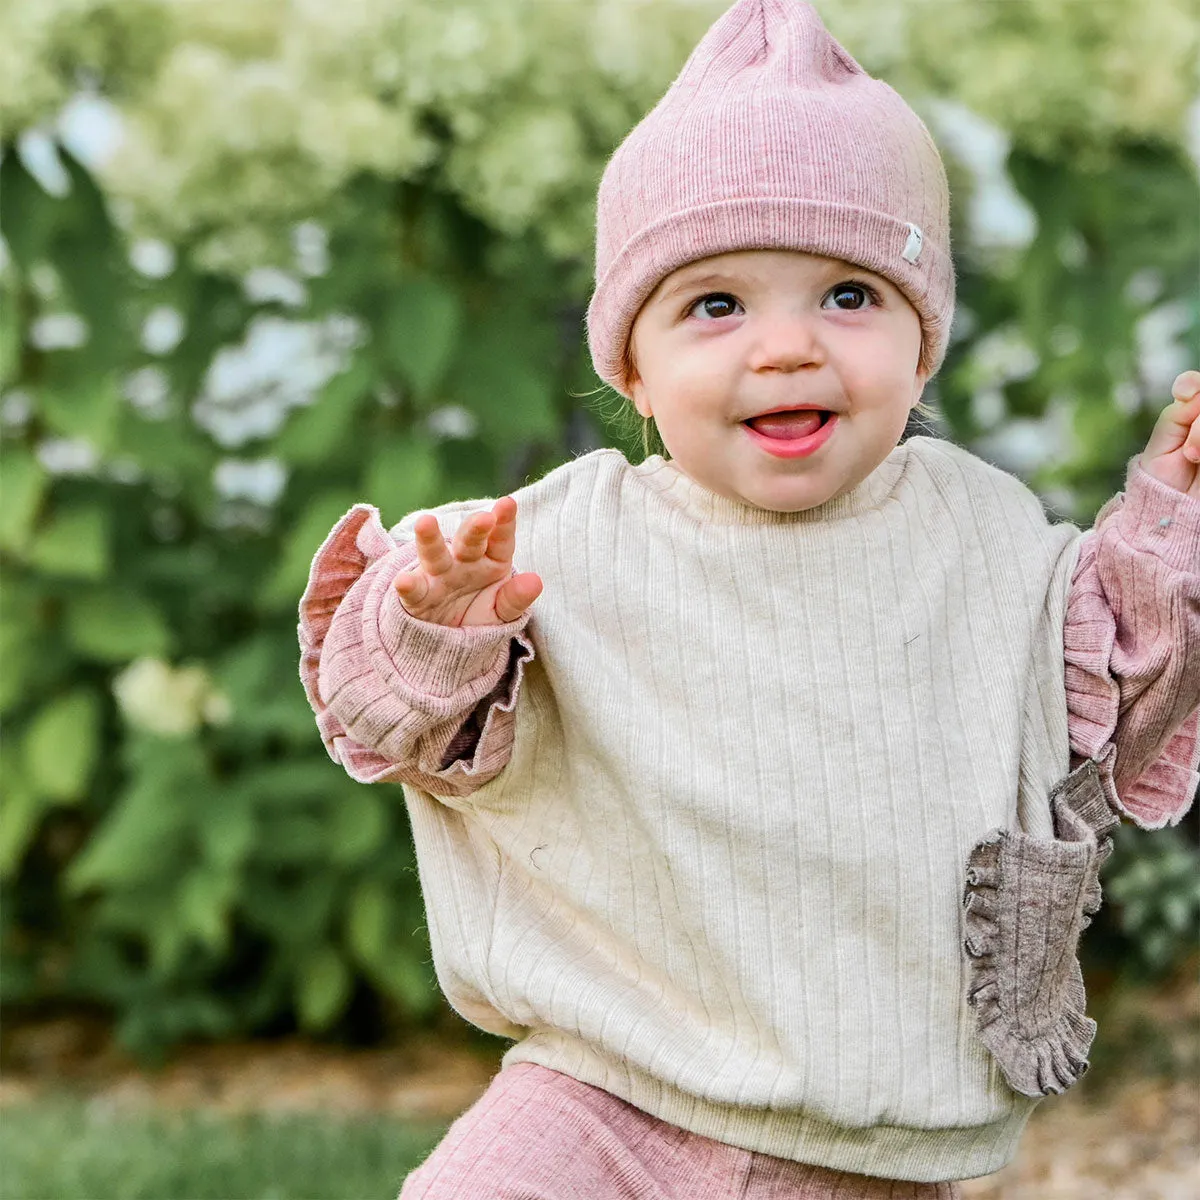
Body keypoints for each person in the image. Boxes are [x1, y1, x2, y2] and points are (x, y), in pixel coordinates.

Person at [299, 2, 1200, 1195]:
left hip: (870, 1142)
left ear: (922, 349)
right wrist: (439, 633)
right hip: (600, 1092)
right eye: (716, 306)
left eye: (848, 296)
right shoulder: (563, 544)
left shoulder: (980, 540)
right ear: (631, 365)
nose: (787, 348)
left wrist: (1170, 519)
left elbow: (1125, 692)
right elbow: (378, 712)